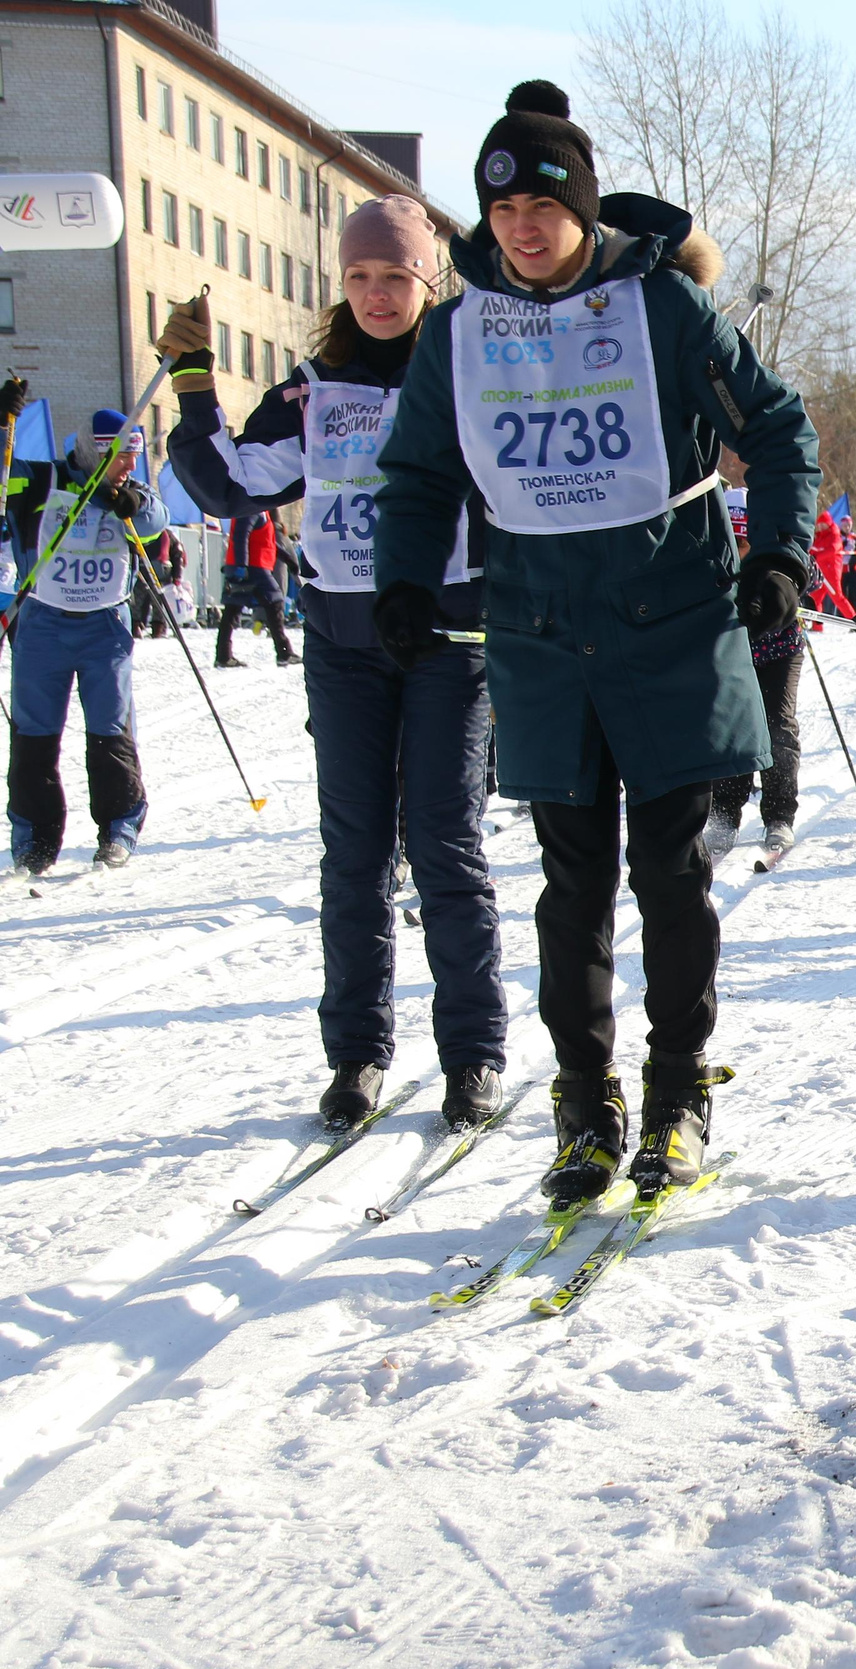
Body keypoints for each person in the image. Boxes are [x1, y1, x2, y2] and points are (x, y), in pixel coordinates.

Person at [371, 79, 820, 1203]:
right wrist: (403, 582)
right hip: (537, 634)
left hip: (668, 626)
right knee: (568, 886)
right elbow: (417, 474)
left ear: (582, 209)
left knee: (669, 874)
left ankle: (677, 1093)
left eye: (544, 207)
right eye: (503, 210)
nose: (523, 229)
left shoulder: (659, 306)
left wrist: (778, 554)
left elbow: (777, 426)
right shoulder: (458, 332)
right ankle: (584, 1101)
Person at [165, 197, 508, 1131]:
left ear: (427, 282)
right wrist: (193, 383)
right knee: (354, 855)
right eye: (358, 277)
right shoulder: (312, 392)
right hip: (346, 646)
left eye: (395, 276)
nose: (376, 294)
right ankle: (357, 1054)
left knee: (444, 844)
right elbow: (229, 485)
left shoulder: (466, 371)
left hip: (447, 641)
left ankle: (473, 1053)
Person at [7, 404, 164, 875]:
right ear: (95, 452)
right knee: (34, 734)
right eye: (122, 455)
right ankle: (34, 840)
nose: (130, 465)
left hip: (105, 628)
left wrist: (134, 505)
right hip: (44, 623)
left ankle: (118, 830)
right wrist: (2, 424)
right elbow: (3, 469)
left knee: (109, 730)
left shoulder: (130, 491)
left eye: (135, 455)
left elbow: (155, 519)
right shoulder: (40, 479)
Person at [709, 487, 804, 865]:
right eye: (734, 542)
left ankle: (779, 815)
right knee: (731, 728)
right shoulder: (715, 554)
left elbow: (808, 572)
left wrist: (787, 587)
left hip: (780, 650)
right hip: (733, 650)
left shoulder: (775, 543)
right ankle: (724, 815)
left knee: (777, 726)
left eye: (744, 542)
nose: (739, 550)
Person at [214, 510, 297, 667]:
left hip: (247, 565)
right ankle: (284, 653)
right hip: (253, 567)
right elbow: (241, 536)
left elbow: (267, 542)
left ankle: (223, 655)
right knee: (275, 603)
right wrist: (241, 565)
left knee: (232, 610)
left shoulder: (258, 510)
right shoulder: (251, 508)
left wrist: (287, 559)